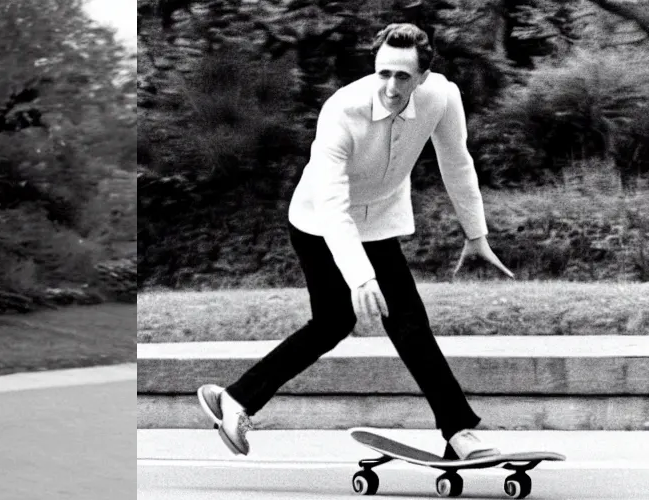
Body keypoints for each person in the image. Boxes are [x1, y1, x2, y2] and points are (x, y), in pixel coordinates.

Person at [197, 23, 512, 463]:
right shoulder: (341, 111)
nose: (390, 86)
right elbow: (331, 206)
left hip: (379, 221)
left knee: (408, 322)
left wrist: (476, 233)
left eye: (403, 77)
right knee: (333, 323)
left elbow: (457, 163)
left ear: (422, 76)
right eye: (383, 73)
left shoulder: (442, 97)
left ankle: (458, 430)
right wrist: (360, 277)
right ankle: (238, 400)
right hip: (318, 223)